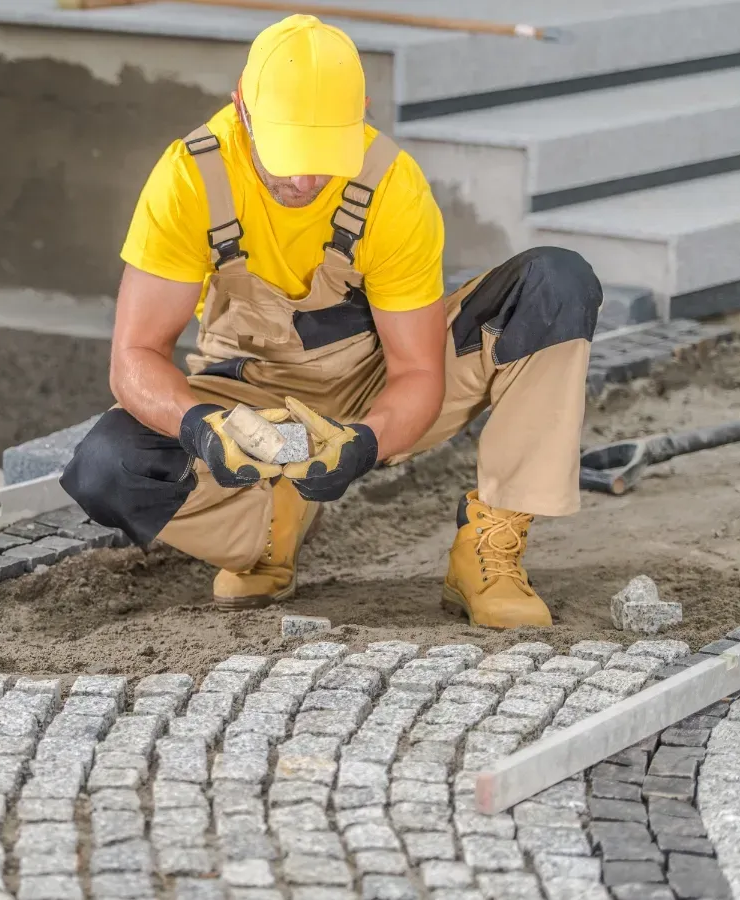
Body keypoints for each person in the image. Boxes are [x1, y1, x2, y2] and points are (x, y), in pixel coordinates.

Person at [60, 14, 602, 629]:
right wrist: (206, 430)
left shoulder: (391, 185)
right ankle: (267, 533)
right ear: (242, 109)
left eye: (323, 157)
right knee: (107, 465)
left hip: (375, 390)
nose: (305, 179)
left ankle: (488, 551)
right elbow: (134, 357)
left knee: (556, 282)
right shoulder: (190, 178)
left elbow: (420, 371)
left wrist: (361, 442)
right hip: (249, 396)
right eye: (289, 155)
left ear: (360, 114)